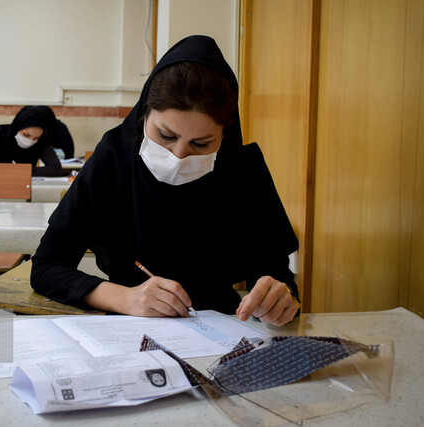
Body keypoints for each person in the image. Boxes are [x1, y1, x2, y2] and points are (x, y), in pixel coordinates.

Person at [31, 35, 300, 326]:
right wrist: (125, 298)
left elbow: (278, 279)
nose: (178, 156)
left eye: (201, 144)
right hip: (125, 327)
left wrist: (281, 299)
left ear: (225, 135)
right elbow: (47, 266)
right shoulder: (114, 158)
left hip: (222, 336)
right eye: (166, 136)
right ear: (144, 114)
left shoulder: (242, 169)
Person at [0, 106, 62, 176]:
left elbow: (55, 168)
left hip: (23, 187)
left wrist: (21, 172)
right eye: (26, 135)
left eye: (35, 138)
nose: (30, 141)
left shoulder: (42, 140)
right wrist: (11, 172)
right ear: (18, 126)